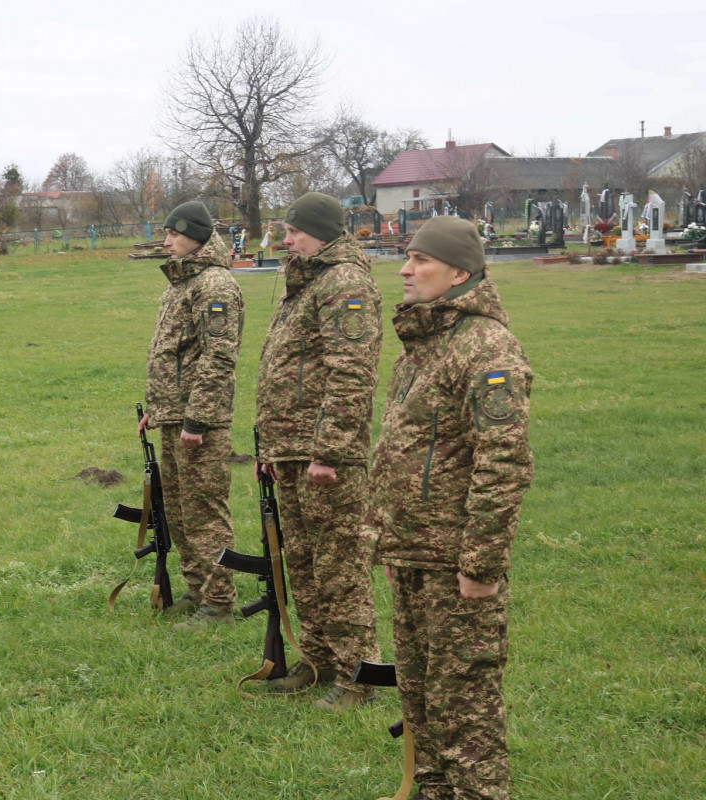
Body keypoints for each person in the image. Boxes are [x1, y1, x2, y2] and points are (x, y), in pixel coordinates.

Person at [368, 216, 533, 800]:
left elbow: (503, 461)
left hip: (456, 562)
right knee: (421, 699)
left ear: (459, 273)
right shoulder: (424, 340)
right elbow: (401, 448)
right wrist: (387, 539)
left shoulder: (487, 348)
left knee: (464, 708)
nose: (406, 270)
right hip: (415, 551)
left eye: (421, 261)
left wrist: (480, 565)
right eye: (406, 258)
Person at [254, 193, 383, 710]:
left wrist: (329, 450)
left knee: (339, 564)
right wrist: (269, 443)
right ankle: (320, 659)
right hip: (291, 447)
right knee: (303, 560)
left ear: (322, 231)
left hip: (325, 455)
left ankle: (360, 677)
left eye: (294, 231)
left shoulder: (344, 283)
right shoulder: (306, 278)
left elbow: (350, 372)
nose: (286, 239)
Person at [139, 200, 244, 631]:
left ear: (197, 237)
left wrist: (197, 420)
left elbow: (218, 356)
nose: (166, 242)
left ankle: (219, 602)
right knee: (179, 510)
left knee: (204, 509)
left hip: (199, 424)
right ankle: (198, 588)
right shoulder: (181, 282)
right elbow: (173, 355)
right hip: (174, 417)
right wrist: (159, 412)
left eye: (174, 235)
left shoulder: (215, 286)